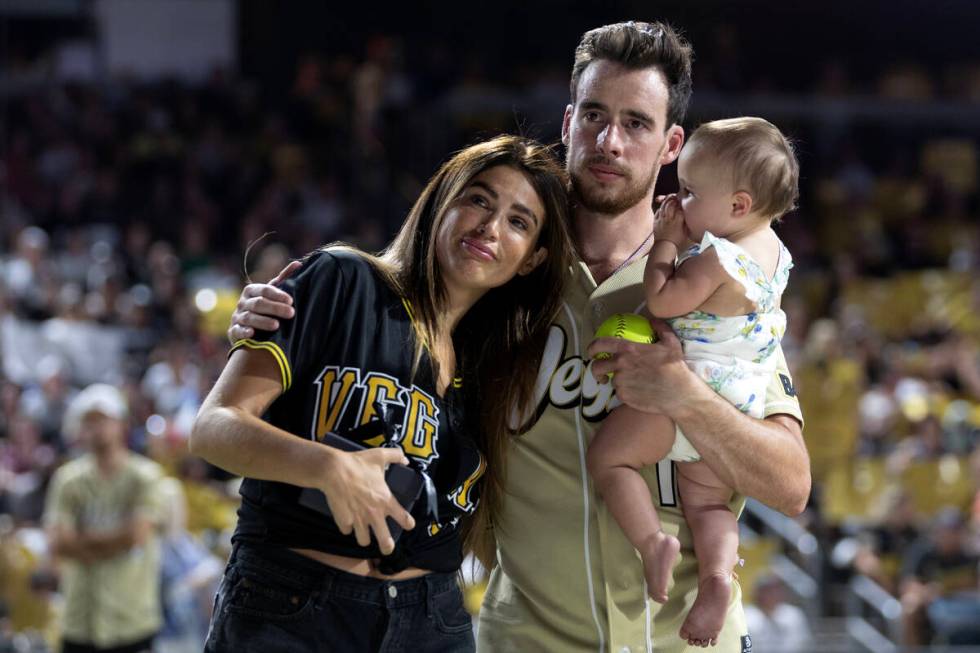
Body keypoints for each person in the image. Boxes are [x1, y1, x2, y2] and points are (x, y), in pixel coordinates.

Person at [229, 21, 809, 652]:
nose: (609, 141)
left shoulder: (713, 285)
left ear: (672, 143)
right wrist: (285, 310)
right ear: (566, 124)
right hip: (529, 639)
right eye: (593, 115)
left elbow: (790, 484)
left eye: (636, 124)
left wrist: (684, 396)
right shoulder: (503, 274)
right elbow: (398, 300)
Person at [191, 135, 574, 652]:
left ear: (530, 260)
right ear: (442, 202)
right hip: (291, 607)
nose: (490, 227)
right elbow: (213, 428)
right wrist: (326, 467)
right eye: (479, 199)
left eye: (518, 221)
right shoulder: (343, 280)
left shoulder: (494, 371)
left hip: (432, 620)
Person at [587, 117, 799, 646]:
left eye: (689, 192)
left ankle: (652, 542)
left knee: (610, 459)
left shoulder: (718, 258)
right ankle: (717, 578)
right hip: (743, 398)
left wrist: (664, 243)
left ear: (739, 206)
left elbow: (662, 300)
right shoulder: (776, 257)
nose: (679, 203)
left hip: (692, 383)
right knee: (707, 504)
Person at [43, 383, 166, 653]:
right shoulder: (68, 480)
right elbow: (59, 543)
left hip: (131, 619)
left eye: (103, 420)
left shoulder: (145, 476)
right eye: (88, 422)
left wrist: (81, 543)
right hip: (79, 618)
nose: (96, 429)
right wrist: (115, 540)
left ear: (121, 423)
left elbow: (135, 537)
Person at [742, 575, 812, 653]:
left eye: (776, 590)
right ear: (758, 593)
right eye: (768, 591)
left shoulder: (793, 614)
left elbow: (801, 644)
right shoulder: (746, 615)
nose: (773, 594)